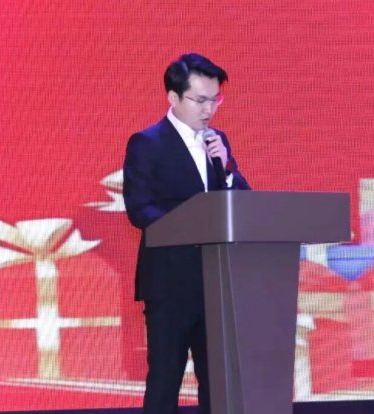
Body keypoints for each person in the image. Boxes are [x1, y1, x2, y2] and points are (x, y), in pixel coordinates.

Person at [122, 53, 251, 414]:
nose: (209, 109)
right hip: (170, 284)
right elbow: (139, 208)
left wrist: (226, 167)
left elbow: (243, 203)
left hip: (217, 283)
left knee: (219, 384)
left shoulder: (218, 142)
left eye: (215, 99)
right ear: (173, 97)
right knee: (165, 381)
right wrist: (188, 224)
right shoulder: (147, 143)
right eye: (200, 100)